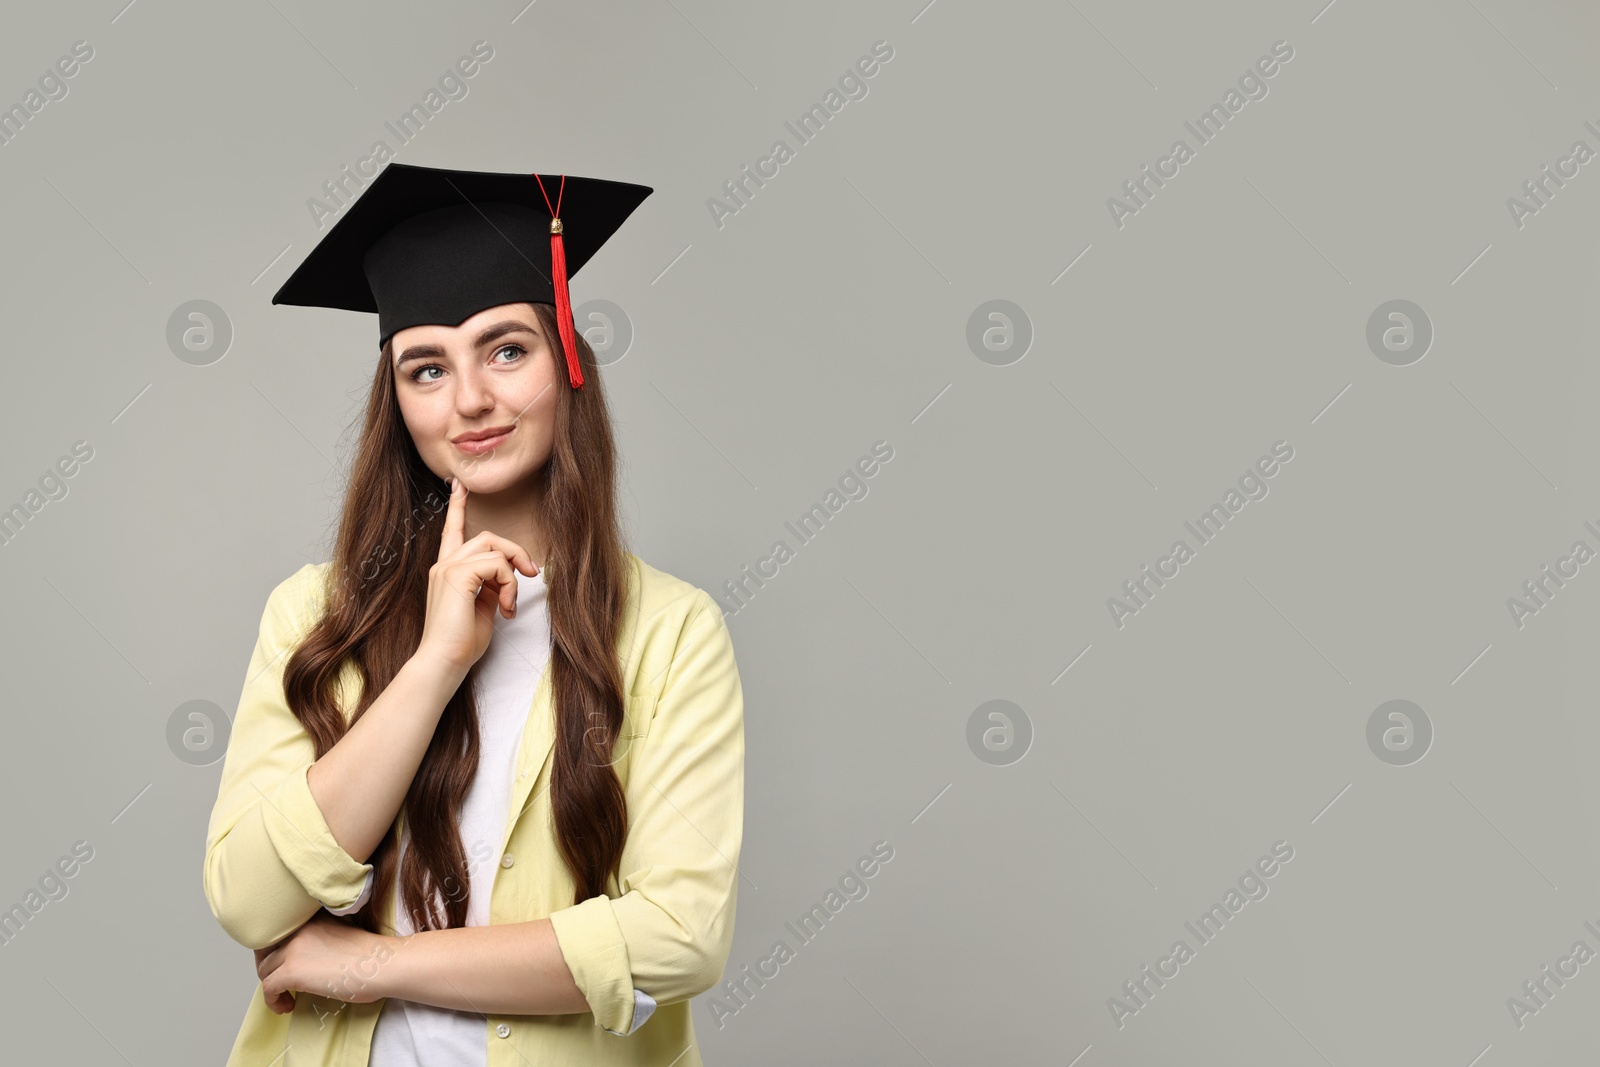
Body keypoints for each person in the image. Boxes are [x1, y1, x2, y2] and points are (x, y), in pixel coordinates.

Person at [201, 164, 745, 1067]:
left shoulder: (671, 632)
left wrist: (376, 963)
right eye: (426, 368)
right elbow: (249, 900)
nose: (470, 401)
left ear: (567, 359)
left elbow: (679, 937)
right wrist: (434, 665)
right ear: (398, 403)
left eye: (506, 350)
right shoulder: (314, 612)